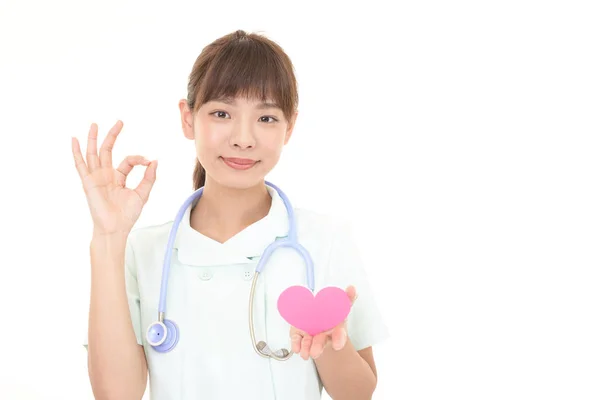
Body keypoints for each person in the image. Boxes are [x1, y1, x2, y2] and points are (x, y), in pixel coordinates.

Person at [72, 29, 389, 400]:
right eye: (222, 113)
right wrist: (108, 239)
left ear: (290, 126)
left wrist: (331, 343)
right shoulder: (141, 251)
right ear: (188, 119)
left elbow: (359, 393)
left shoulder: (324, 239)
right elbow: (116, 395)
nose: (243, 138)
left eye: (266, 118)